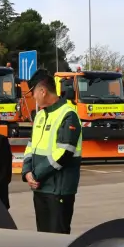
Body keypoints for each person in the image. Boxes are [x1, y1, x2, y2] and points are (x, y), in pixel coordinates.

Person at [22, 69, 83, 233]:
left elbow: (64, 152)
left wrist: (36, 174)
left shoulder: (68, 114)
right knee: (43, 238)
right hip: (40, 188)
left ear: (42, 91)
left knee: (58, 239)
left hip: (59, 190)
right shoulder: (40, 116)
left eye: (33, 92)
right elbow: (31, 145)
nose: (33, 97)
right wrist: (27, 172)